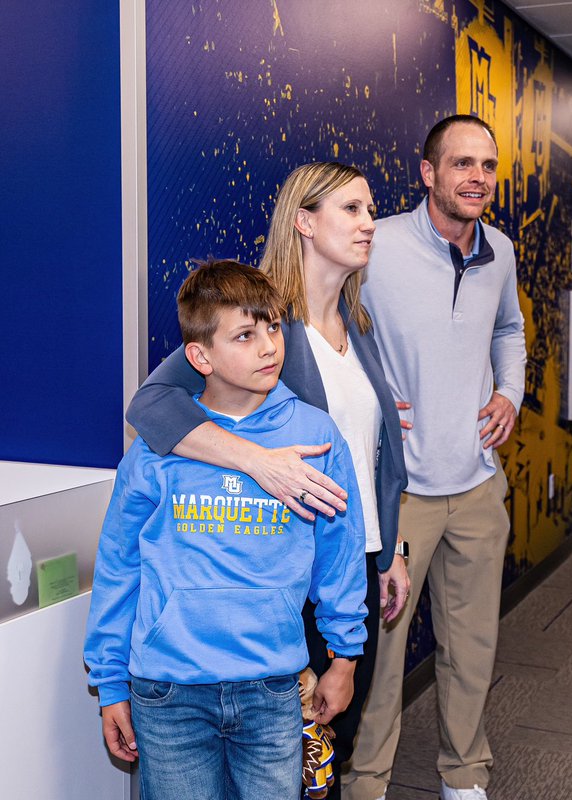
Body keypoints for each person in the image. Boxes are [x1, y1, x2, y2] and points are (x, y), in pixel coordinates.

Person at [125, 163, 410, 800]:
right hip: (283, 582)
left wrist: (392, 548)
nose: (370, 224)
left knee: (324, 760)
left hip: (352, 561)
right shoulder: (256, 318)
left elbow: (371, 454)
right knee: (297, 773)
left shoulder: (356, 327)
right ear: (304, 222)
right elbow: (152, 407)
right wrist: (256, 461)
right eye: (353, 210)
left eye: (371, 211)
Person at [85, 260, 369, 799]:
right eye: (244, 334)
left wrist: (344, 656)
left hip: (271, 687)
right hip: (169, 692)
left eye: (272, 327)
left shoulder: (314, 434)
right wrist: (111, 683)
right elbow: (119, 567)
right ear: (199, 356)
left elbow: (340, 555)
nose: (268, 346)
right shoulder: (158, 447)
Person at [344, 114, 526, 800]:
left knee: (472, 646)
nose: (477, 177)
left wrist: (510, 391)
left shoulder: (500, 252)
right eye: (462, 164)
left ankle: (464, 775)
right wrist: (373, 391)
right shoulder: (377, 243)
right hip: (402, 493)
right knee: (382, 658)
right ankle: (367, 781)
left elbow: (509, 328)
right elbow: (325, 329)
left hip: (478, 483)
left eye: (487, 165)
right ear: (428, 173)